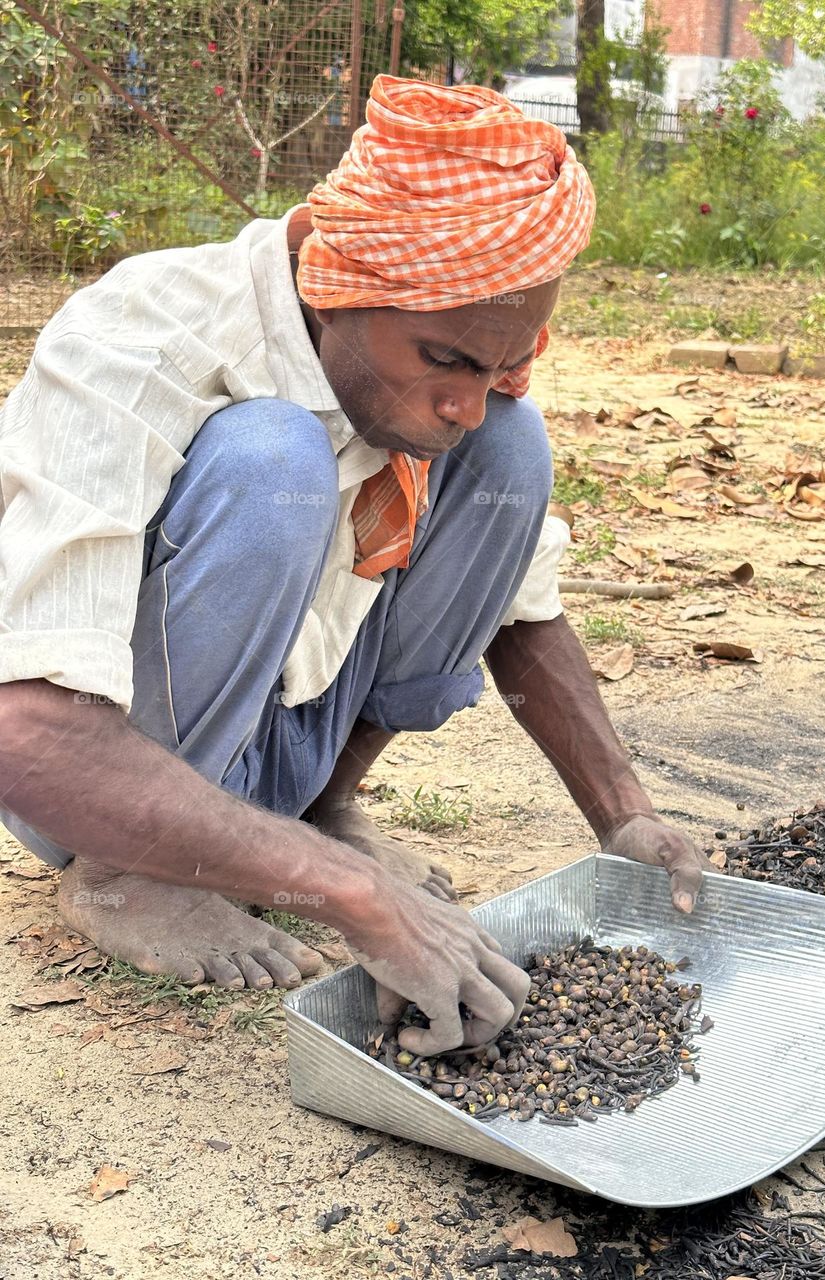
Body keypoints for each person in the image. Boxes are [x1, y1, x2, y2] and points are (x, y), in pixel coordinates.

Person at [0, 76, 705, 1054]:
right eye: (446, 357)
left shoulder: (462, 397)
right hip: (111, 780)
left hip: (285, 752)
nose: (464, 398)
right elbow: (27, 735)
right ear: (334, 285)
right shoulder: (141, 337)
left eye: (495, 362)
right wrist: (355, 896)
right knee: (273, 459)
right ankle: (128, 876)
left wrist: (625, 817)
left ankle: (327, 808)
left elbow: (523, 613)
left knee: (511, 449)